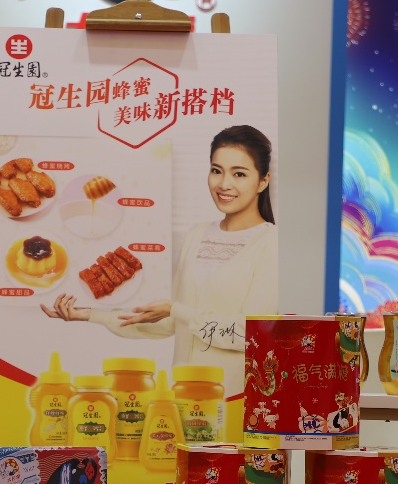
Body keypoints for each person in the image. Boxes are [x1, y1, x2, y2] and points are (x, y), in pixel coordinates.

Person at [41, 125, 279, 396]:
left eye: (239, 174)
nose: (224, 184)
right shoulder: (197, 235)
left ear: (263, 181)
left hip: (234, 399)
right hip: (181, 396)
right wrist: (90, 315)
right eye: (216, 170)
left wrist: (176, 310)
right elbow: (168, 322)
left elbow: (249, 335)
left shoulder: (271, 242)